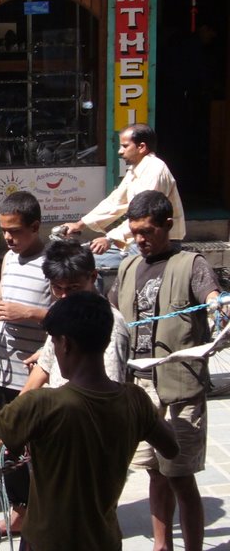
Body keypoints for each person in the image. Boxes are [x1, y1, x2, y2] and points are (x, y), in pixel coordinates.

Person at [0, 292, 179, 551]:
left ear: (64, 344)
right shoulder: (135, 400)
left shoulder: (44, 404)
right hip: (105, 539)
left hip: (47, 540)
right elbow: (171, 448)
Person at [109, 190, 224, 551]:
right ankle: (163, 546)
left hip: (179, 388)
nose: (140, 240)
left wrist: (219, 307)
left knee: (181, 476)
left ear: (168, 225)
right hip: (139, 387)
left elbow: (211, 296)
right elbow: (110, 312)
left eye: (147, 232)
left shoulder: (191, 264)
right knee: (153, 472)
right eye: (134, 233)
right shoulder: (128, 266)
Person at [0, 191, 52, 534]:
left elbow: (74, 314)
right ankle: (19, 511)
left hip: (35, 376)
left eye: (15, 231)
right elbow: (2, 297)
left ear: (36, 226)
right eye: (4, 231)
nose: (8, 238)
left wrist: (28, 312)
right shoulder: (10, 259)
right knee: (9, 446)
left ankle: (46, 512)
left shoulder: (54, 263)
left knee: (40, 448)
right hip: (3, 370)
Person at [62, 123, 185, 270]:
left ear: (141, 147)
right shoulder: (136, 169)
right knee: (81, 258)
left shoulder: (154, 170)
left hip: (156, 244)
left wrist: (109, 239)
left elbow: (144, 216)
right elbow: (115, 202)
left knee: (86, 263)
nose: (120, 151)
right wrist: (79, 224)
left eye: (125, 146)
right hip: (136, 240)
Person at [22, 239, 128, 391]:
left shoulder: (111, 325)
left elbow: (106, 394)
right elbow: (44, 367)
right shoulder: (62, 313)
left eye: (73, 288)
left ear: (92, 277)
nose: (65, 296)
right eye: (57, 288)